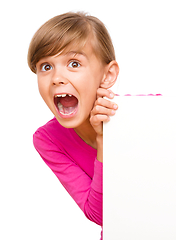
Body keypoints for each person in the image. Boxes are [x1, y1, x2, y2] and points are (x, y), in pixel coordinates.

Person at [27, 11, 119, 240]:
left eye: (74, 63)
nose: (57, 77)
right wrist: (103, 143)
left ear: (107, 75)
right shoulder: (48, 139)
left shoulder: (150, 114)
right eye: (46, 67)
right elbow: (100, 214)